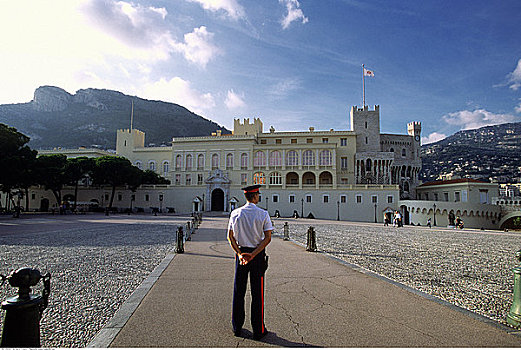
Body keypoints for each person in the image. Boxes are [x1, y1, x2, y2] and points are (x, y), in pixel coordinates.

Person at [227, 184, 273, 340]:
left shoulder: (235, 213)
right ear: (254, 196)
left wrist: (240, 254)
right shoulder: (263, 214)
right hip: (257, 255)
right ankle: (258, 329)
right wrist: (253, 254)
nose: (258, 197)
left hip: (241, 255)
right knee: (257, 293)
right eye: (258, 195)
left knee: (238, 291)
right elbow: (267, 238)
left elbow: (230, 237)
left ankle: (237, 327)